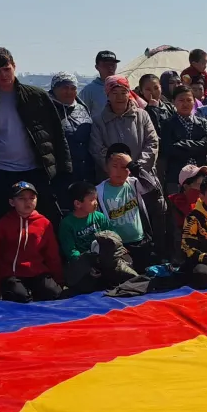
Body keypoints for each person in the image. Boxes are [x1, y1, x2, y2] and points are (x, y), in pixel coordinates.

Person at [0, 46, 69, 224]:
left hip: (36, 170)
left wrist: (64, 171)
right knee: (5, 224)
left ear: (14, 66)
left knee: (44, 224)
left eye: (6, 69)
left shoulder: (36, 96)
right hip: (0, 172)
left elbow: (56, 133)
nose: (3, 75)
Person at [90, 73, 165, 239]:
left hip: (143, 178)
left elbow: (152, 143)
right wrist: (117, 169)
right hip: (114, 183)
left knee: (154, 216)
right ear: (107, 95)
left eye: (123, 92)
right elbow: (97, 149)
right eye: (114, 93)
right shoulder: (99, 121)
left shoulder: (142, 115)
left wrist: (135, 168)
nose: (119, 97)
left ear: (129, 93)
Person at [0, 181, 63, 302]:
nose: (28, 202)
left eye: (32, 198)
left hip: (37, 273)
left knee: (54, 294)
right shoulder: (3, 224)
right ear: (12, 202)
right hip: (12, 274)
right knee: (19, 297)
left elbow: (52, 254)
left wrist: (58, 280)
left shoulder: (44, 223)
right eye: (22, 198)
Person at [60, 181, 136, 294]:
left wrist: (119, 247)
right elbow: (71, 251)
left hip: (104, 256)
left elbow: (112, 234)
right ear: (77, 204)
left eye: (96, 199)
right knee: (86, 283)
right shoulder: (67, 224)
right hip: (85, 258)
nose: (96, 203)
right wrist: (87, 265)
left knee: (126, 265)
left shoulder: (99, 216)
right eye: (91, 200)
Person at [97, 145, 153, 267]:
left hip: (141, 242)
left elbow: (152, 187)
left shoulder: (134, 183)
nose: (119, 171)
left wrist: (133, 165)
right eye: (115, 166)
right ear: (107, 167)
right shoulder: (98, 192)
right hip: (118, 247)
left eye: (124, 167)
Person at [48, 73, 94, 205]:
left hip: (85, 171)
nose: (69, 91)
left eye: (72, 88)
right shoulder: (46, 109)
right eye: (64, 87)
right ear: (54, 89)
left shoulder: (82, 107)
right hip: (59, 174)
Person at [159, 83, 207, 195]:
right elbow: (168, 149)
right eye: (181, 100)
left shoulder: (202, 122)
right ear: (174, 101)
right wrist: (198, 147)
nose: (185, 104)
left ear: (194, 101)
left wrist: (183, 144)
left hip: (201, 175)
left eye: (189, 100)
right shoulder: (167, 124)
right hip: (176, 176)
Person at [78, 49, 121, 120]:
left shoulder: (122, 88)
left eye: (112, 64)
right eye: (105, 65)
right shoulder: (89, 91)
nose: (110, 68)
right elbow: (81, 115)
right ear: (97, 67)